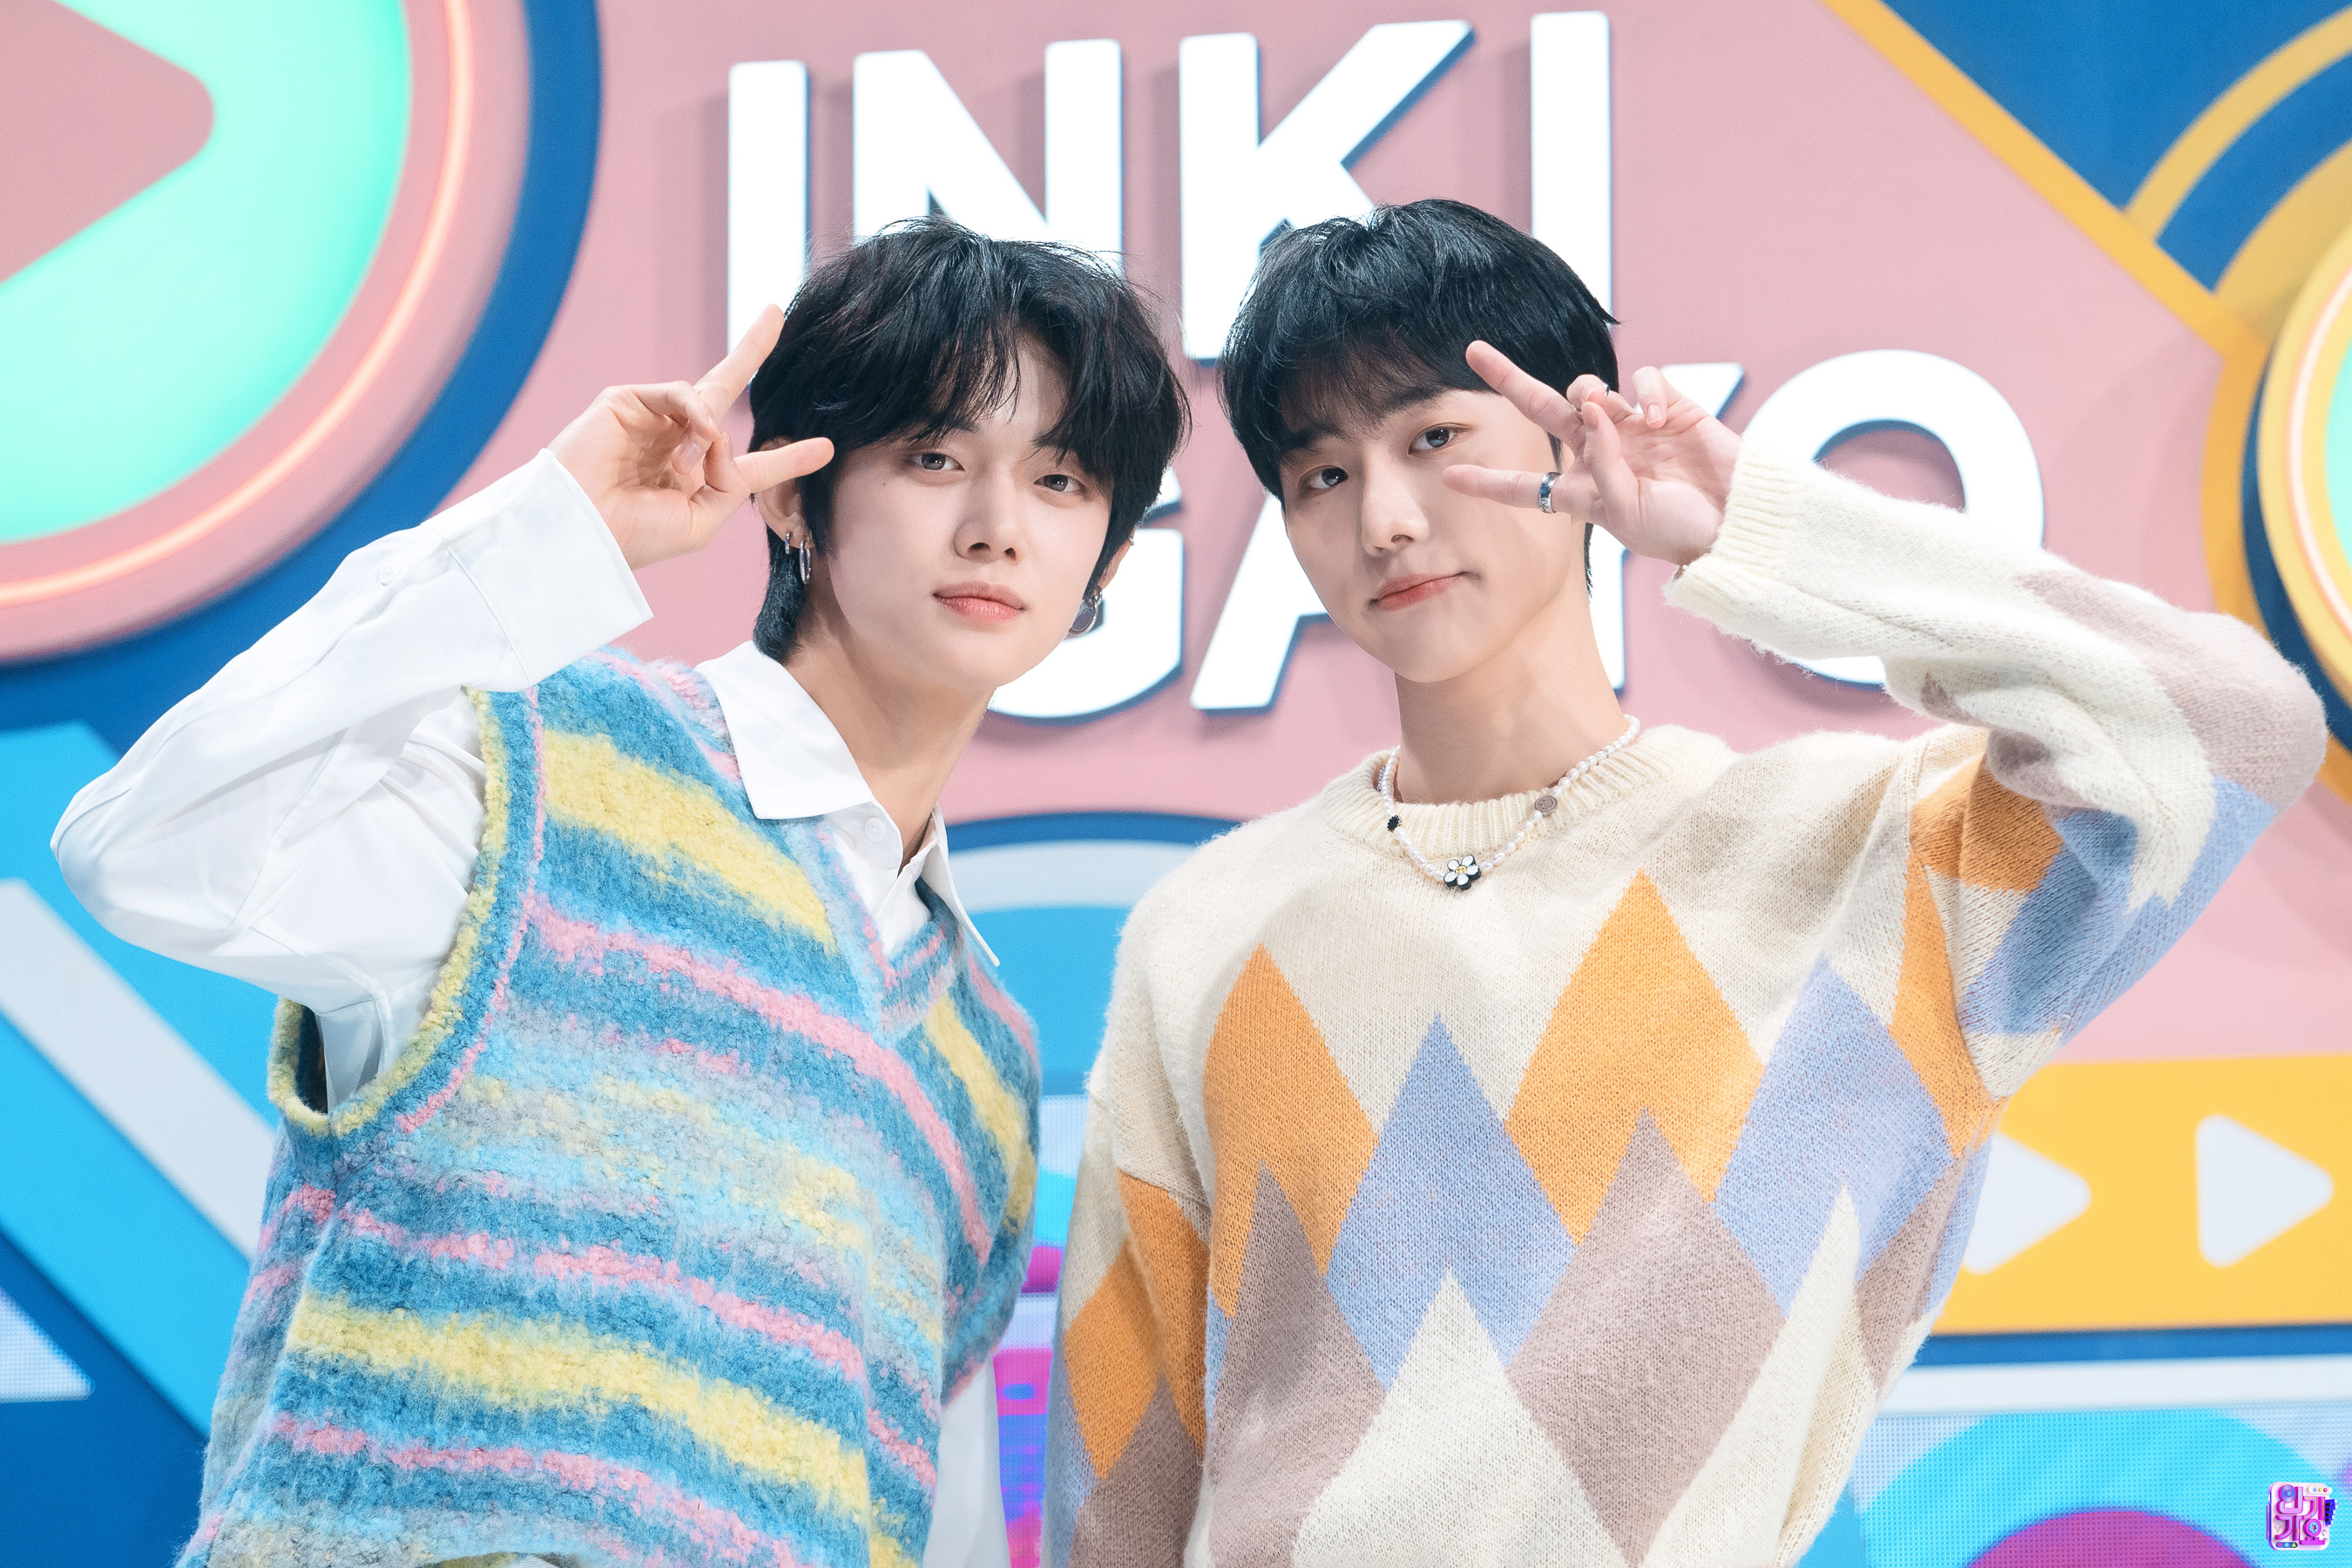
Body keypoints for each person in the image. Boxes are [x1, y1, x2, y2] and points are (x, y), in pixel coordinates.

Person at [1044, 198, 2325, 1567]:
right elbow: (1117, 1483)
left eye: (1432, 438)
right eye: (1321, 476)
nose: (1388, 519)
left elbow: (2235, 726)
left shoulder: (1868, 865)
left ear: (1573, 438)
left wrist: (1755, 530)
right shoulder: (1210, 931)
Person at [56, 218, 1186, 1568]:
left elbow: (905, 1511)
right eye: (935, 458)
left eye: (1060, 480)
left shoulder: (983, 1057)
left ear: (1109, 560)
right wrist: (550, 532)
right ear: (792, 494)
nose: (996, 529)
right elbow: (144, 848)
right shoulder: (542, 777)